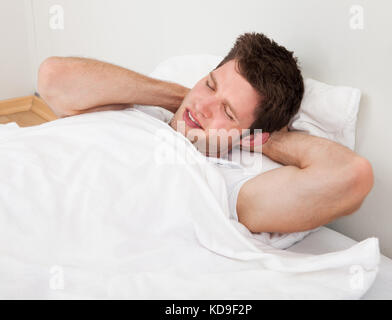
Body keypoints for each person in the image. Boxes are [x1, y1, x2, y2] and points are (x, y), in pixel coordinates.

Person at [37, 32, 374, 234]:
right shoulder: (140, 110)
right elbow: (53, 77)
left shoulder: (227, 183)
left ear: (249, 135)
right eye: (210, 85)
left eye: (228, 112)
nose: (204, 106)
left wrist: (265, 139)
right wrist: (178, 97)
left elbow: (351, 176)